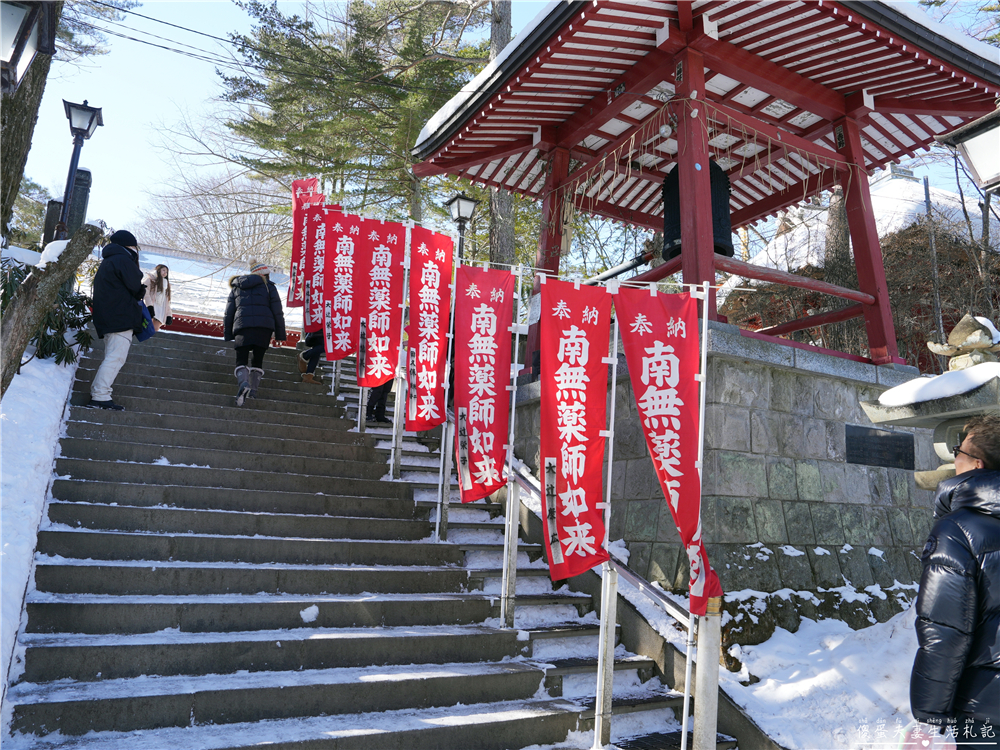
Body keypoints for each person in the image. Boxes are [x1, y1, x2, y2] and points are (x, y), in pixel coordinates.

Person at [910, 413, 1000, 748]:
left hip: (987, 708)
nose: (953, 456)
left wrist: (930, 713)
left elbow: (945, 629)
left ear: (977, 464)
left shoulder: (958, 530)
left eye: (956, 450)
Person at [87, 230, 147, 411]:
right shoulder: (122, 259)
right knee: (116, 357)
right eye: (134, 246)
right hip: (120, 316)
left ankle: (100, 394)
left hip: (109, 315)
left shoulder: (110, 259)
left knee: (112, 356)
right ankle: (100, 395)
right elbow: (135, 285)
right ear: (129, 246)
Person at [223, 261, 286, 406]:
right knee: (257, 360)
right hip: (264, 328)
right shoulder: (269, 287)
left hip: (242, 326)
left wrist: (228, 333)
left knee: (241, 359)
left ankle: (243, 383)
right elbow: (277, 311)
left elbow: (229, 313)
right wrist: (280, 335)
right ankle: (253, 391)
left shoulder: (237, 287)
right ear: (263, 274)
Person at [142, 264, 173, 331]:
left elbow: (167, 302)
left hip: (160, 311)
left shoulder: (167, 285)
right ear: (158, 270)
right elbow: (145, 293)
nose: (165, 273)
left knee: (154, 329)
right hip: (151, 307)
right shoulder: (150, 279)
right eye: (163, 270)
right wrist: (149, 306)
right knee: (145, 327)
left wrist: (169, 315)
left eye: (166, 272)